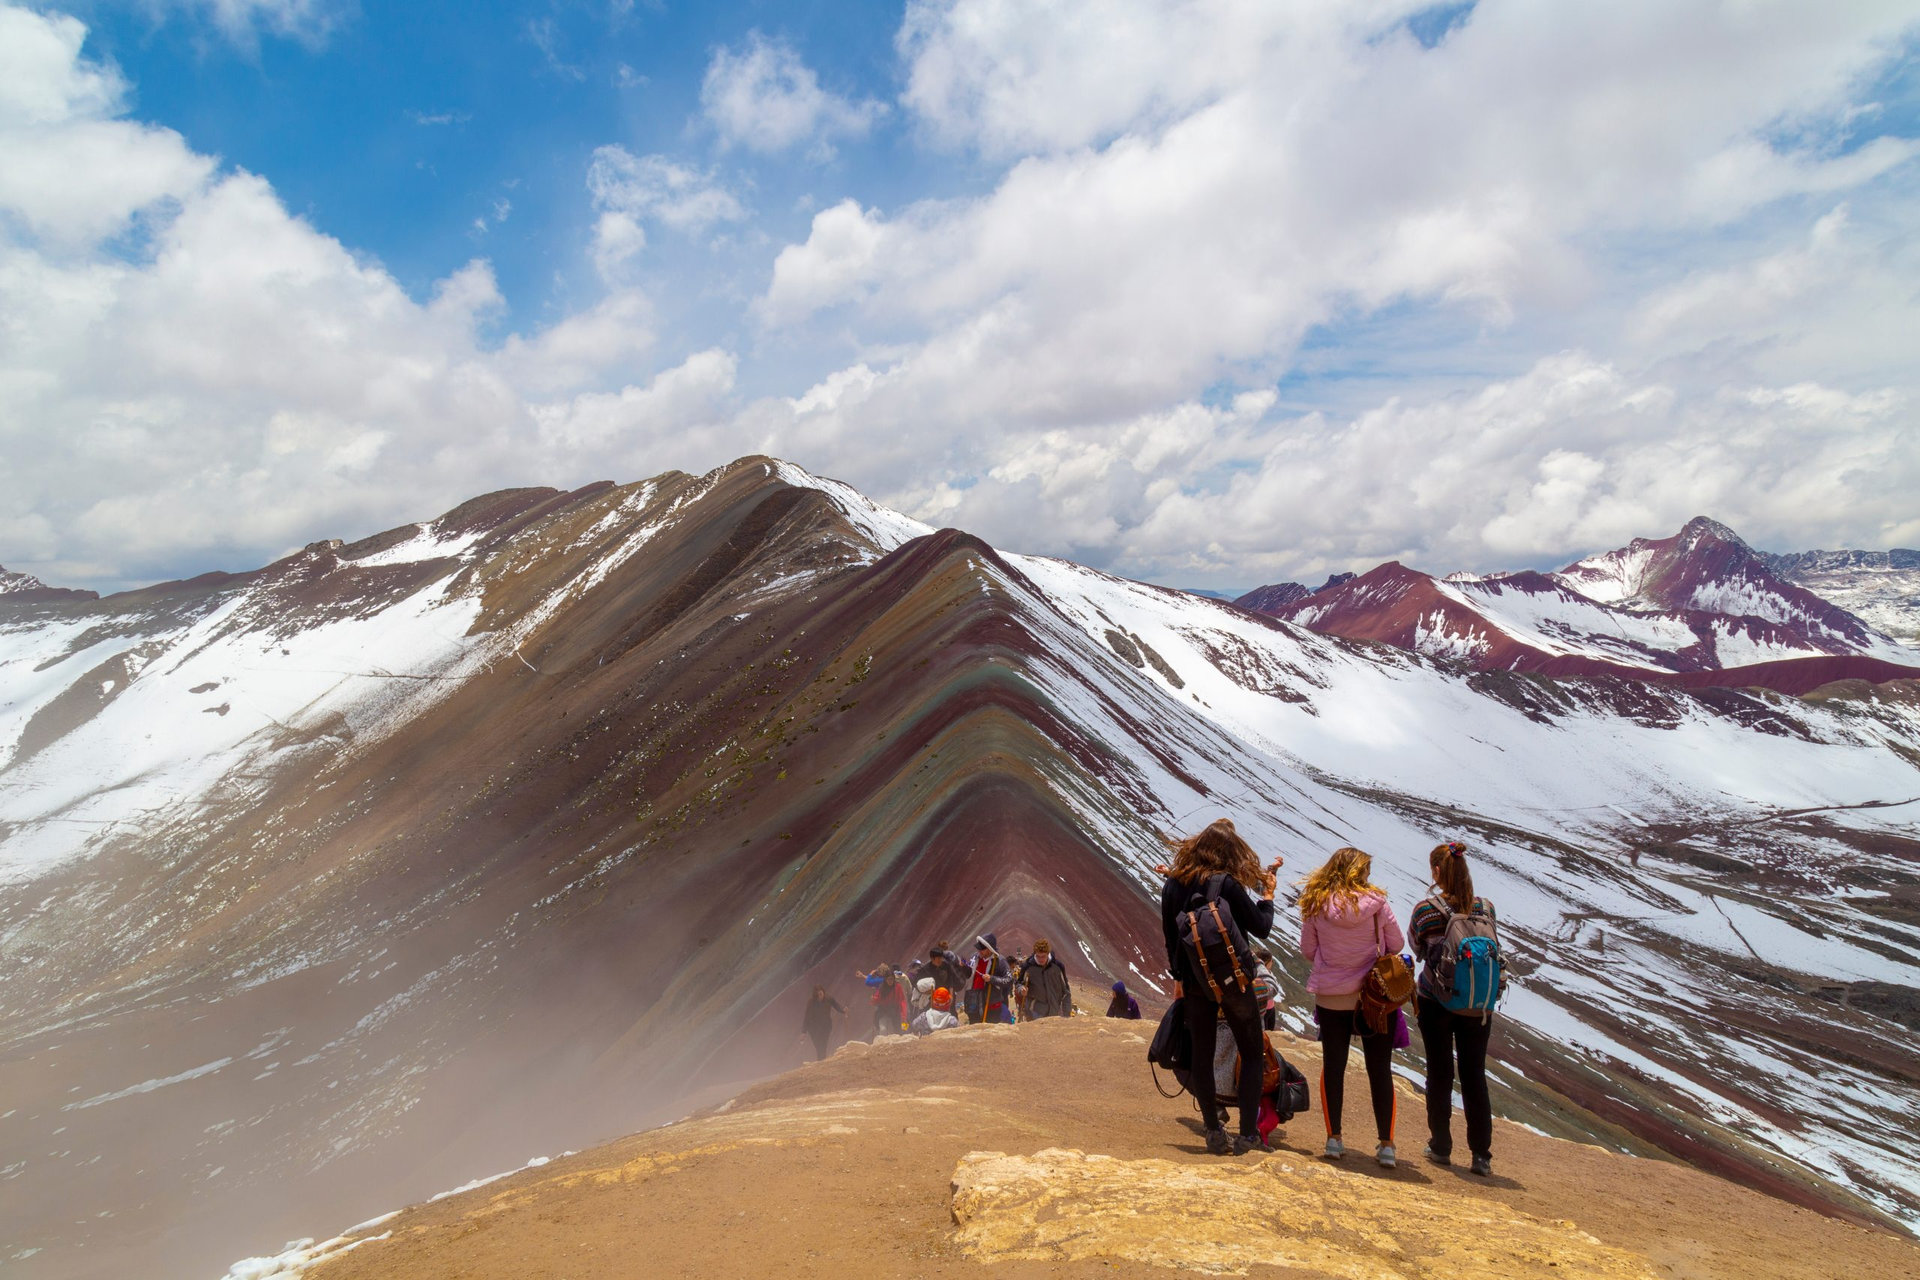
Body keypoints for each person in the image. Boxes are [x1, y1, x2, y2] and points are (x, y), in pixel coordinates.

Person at [1160, 818, 1283, 1157]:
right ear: (1230, 852)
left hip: (1195, 982)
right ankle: (1247, 1136)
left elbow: (1171, 939)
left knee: (1202, 1052)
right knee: (1251, 1049)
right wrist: (1268, 897)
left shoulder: (1173, 883)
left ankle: (1214, 1132)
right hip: (1234, 980)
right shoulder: (1225, 883)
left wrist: (1181, 980)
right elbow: (1261, 927)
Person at [1299, 846, 1405, 1168]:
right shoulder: (1377, 905)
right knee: (1379, 1069)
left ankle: (1334, 1140)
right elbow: (1398, 945)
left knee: (1334, 1066)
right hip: (1374, 998)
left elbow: (1307, 949)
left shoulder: (1316, 903)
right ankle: (1386, 1145)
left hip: (1331, 996)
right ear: (1361, 873)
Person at [1410, 841, 1498, 1177]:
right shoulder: (1486, 908)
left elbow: (1417, 947)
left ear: (1436, 871)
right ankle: (1481, 1155)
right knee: (1475, 1075)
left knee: (1440, 1072)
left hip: (1436, 1000)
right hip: (1477, 1005)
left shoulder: (1425, 911)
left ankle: (1441, 1146)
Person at [1019, 939, 1074, 1018]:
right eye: (1038, 956)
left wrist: (1066, 1014)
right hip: (1035, 1012)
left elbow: (1066, 991)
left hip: (1055, 1011)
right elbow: (1019, 983)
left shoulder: (1058, 967)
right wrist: (1021, 989)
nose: (1040, 959)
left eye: (1043, 956)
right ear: (1035, 954)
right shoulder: (1028, 967)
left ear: (1048, 954)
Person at [966, 935, 1013, 1024]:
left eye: (982, 949)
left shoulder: (1000, 961)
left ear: (989, 949)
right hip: (974, 1001)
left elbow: (1009, 980)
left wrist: (992, 979)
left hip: (991, 1004)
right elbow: (969, 975)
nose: (979, 951)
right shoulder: (974, 958)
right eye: (978, 948)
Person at [799, 985, 845, 1061]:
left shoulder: (829, 999)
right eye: (818, 995)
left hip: (826, 1027)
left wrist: (843, 1010)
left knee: (823, 1044)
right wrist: (803, 1032)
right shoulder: (811, 1002)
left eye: (821, 994)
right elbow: (807, 1017)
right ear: (815, 995)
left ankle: (821, 1060)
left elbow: (836, 1006)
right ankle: (821, 1060)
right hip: (813, 1029)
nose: (820, 996)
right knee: (818, 1046)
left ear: (823, 992)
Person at [863, 965, 909, 1038]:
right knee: (883, 1030)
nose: (890, 981)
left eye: (891, 979)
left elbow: (902, 1001)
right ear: (885, 980)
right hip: (883, 1012)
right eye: (888, 980)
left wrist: (904, 1015)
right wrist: (873, 999)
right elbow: (877, 1000)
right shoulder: (882, 988)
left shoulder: (897, 987)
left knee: (900, 1031)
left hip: (895, 1012)